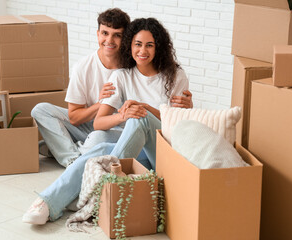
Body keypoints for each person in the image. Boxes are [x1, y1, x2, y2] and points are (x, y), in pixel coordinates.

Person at [22, 17, 192, 225]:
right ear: (130, 46)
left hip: (162, 150)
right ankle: (47, 202)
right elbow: (98, 123)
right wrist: (122, 115)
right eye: (137, 44)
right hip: (136, 152)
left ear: (159, 48)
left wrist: (144, 108)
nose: (142, 51)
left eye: (150, 45)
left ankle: (101, 189)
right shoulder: (120, 76)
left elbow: (178, 126)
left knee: (140, 117)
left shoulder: (175, 76)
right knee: (99, 148)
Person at [31, 9, 192, 168]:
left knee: (97, 139)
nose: (110, 40)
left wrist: (188, 108)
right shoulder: (88, 68)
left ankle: (69, 150)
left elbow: (176, 120)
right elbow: (75, 117)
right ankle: (74, 158)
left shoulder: (137, 65)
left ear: (125, 38)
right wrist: (102, 104)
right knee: (42, 110)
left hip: (125, 131)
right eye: (105, 33)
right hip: (99, 124)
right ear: (98, 34)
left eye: (117, 35)